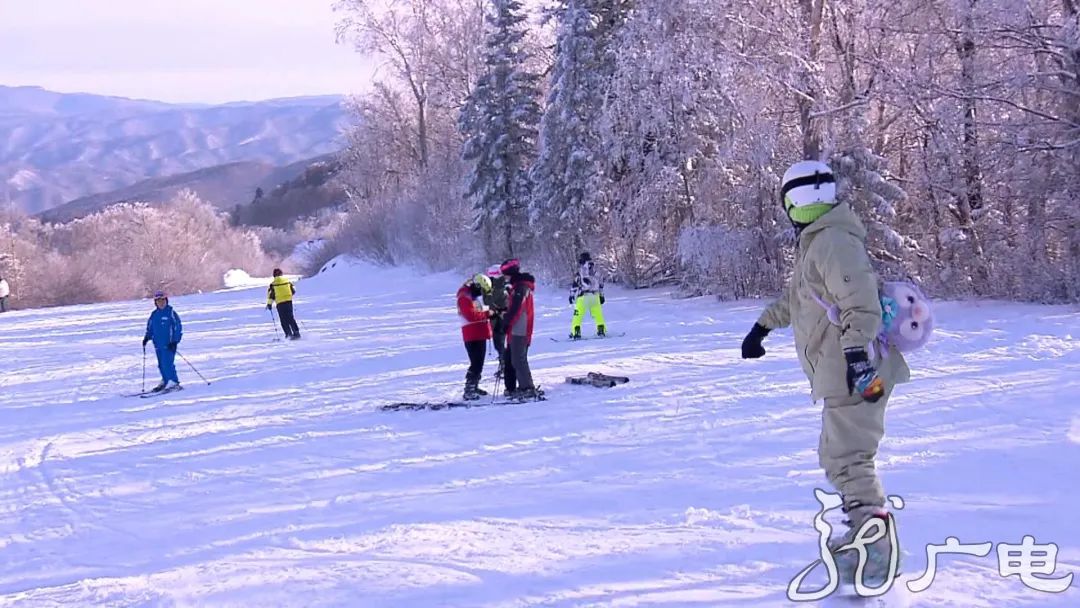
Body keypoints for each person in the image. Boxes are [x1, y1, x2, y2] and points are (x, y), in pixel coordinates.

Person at [740, 160, 910, 578]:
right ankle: (864, 539)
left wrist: (855, 358)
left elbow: (861, 303)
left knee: (848, 458)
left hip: (856, 370)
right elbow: (801, 299)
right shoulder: (820, 242)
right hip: (843, 369)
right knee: (839, 456)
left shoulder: (832, 240)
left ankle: (876, 553)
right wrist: (762, 326)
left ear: (793, 200)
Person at [500, 258, 541, 400]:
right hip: (516, 328)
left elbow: (517, 308)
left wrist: (506, 322)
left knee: (518, 359)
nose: (504, 277)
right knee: (512, 358)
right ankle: (519, 387)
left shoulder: (521, 287)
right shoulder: (517, 287)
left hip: (520, 328)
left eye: (505, 274)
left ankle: (527, 387)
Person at [457, 274, 494, 400]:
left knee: (479, 362)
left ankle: (474, 386)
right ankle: (469, 389)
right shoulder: (464, 297)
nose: (481, 294)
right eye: (481, 290)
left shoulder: (471, 296)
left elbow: (477, 310)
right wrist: (487, 313)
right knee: (476, 363)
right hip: (472, 334)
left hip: (478, 332)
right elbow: (471, 315)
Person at [142, 290, 183, 392]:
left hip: (169, 344)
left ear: (166, 300)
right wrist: (147, 337)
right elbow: (150, 327)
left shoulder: (171, 313)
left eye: (162, 300)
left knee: (167, 363)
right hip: (158, 344)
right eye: (158, 301)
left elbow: (177, 327)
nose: (161, 303)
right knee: (161, 364)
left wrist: (175, 341)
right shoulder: (154, 314)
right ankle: (165, 380)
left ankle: (173, 381)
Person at [569, 252, 606, 339]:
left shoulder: (580, 271)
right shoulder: (596, 271)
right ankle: (601, 330)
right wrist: (601, 295)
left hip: (583, 296)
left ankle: (576, 332)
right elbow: (601, 283)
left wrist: (571, 295)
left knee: (577, 316)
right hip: (595, 296)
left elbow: (575, 284)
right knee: (598, 315)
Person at [483, 264, 510, 374]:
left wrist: (486, 291)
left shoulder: (497, 286)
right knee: (500, 342)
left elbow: (487, 301)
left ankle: (505, 365)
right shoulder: (504, 284)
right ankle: (504, 364)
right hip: (499, 316)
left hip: (499, 317)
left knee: (499, 342)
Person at [267, 269, 300, 340]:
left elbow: (271, 296)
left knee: (283, 319)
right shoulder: (287, 281)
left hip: (280, 303)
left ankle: (288, 334)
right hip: (288, 301)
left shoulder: (273, 284)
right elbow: (293, 290)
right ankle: (296, 333)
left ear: (274, 275)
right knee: (290, 317)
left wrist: (269, 304)